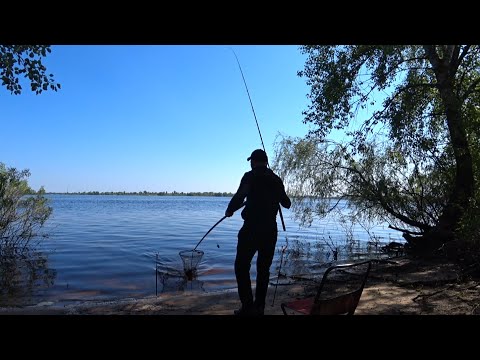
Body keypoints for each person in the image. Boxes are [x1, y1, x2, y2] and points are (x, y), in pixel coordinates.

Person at [225, 149, 291, 316]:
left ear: (253, 161)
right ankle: (259, 307)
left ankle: (247, 307)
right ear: (266, 162)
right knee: (263, 270)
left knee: (241, 267)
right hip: (270, 231)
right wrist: (276, 190)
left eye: (251, 161)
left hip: (251, 229)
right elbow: (287, 203)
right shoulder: (275, 179)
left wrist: (230, 210)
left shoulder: (250, 176)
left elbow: (240, 195)